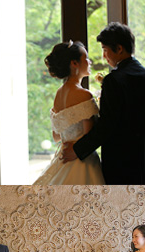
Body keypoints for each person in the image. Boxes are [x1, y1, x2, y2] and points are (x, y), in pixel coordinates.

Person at [61, 22, 145, 185]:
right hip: (144, 156)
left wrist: (77, 150)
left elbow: (106, 126)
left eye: (105, 50)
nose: (104, 56)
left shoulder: (114, 80)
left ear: (119, 49)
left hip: (120, 160)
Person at [34, 40, 105, 185]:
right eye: (85, 58)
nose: (90, 62)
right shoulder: (84, 95)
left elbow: (56, 136)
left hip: (63, 159)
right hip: (82, 161)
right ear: (74, 63)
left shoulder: (58, 94)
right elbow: (89, 134)